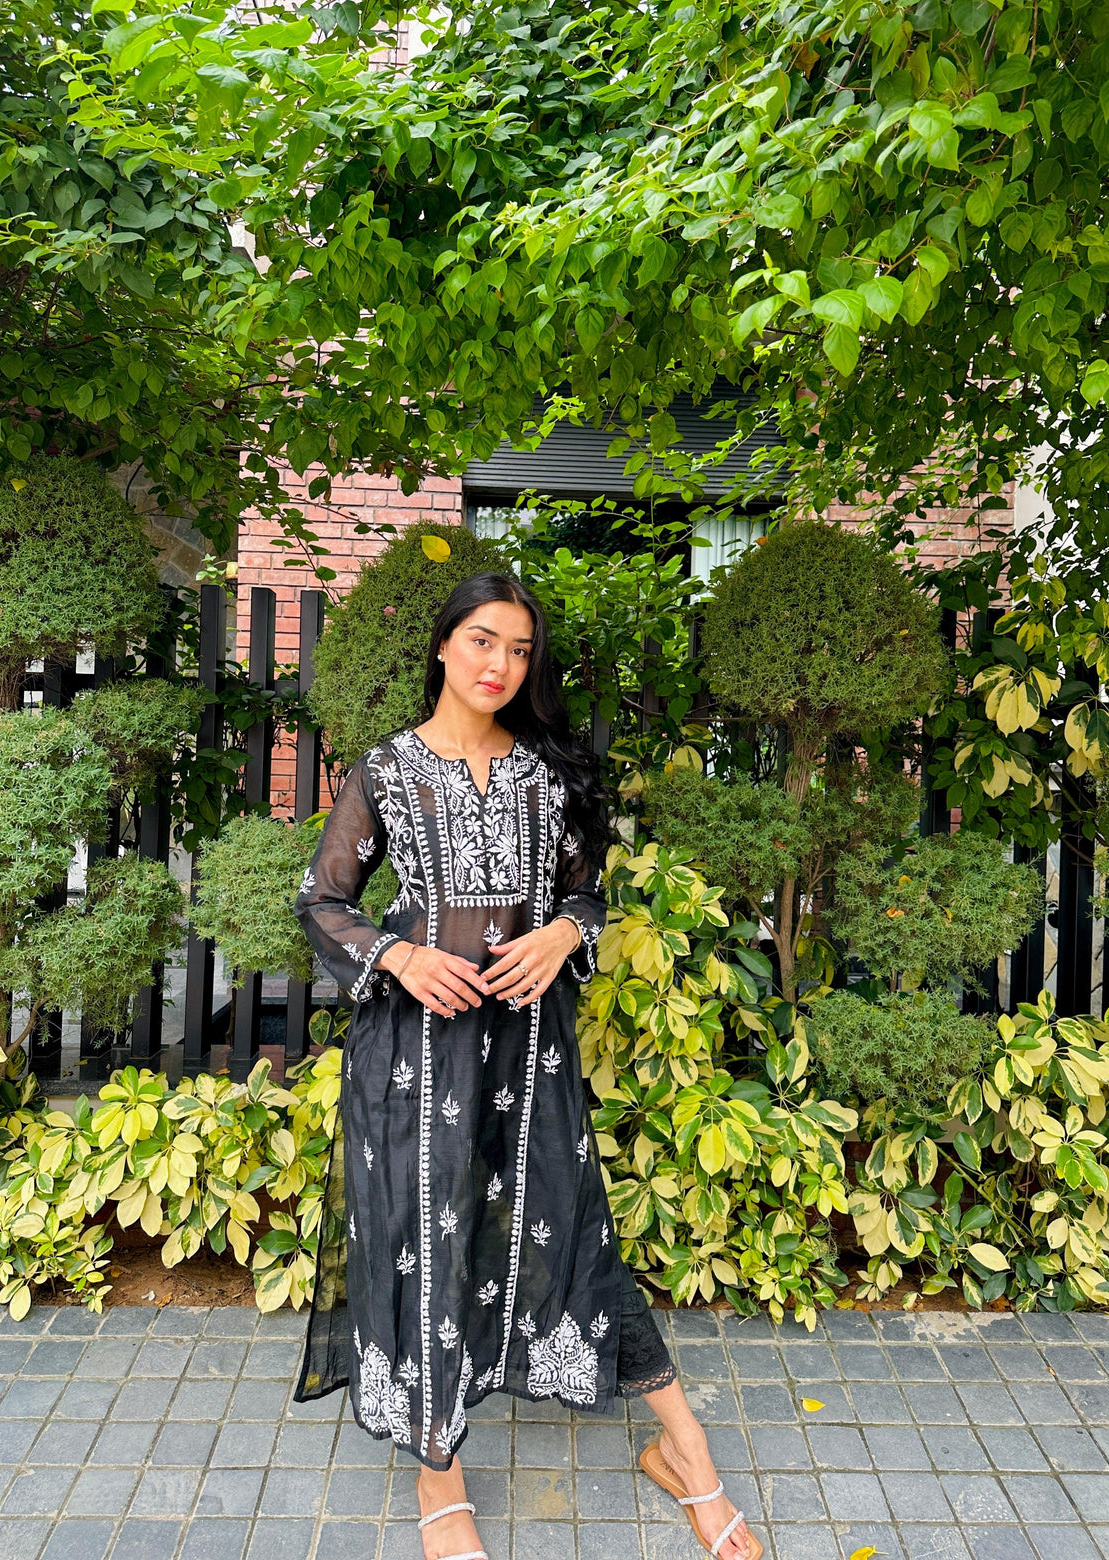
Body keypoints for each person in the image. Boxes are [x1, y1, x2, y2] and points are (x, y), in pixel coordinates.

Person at [292, 570, 758, 1560]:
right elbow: (323, 901)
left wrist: (561, 934)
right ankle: (440, 1480)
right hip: (414, 1057)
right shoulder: (386, 772)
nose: (500, 664)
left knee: (578, 1230)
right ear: (442, 645)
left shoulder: (548, 775)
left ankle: (685, 1452)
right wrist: (400, 956)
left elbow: (586, 898)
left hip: (529, 1053)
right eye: (482, 641)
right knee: (423, 1245)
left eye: (518, 649)